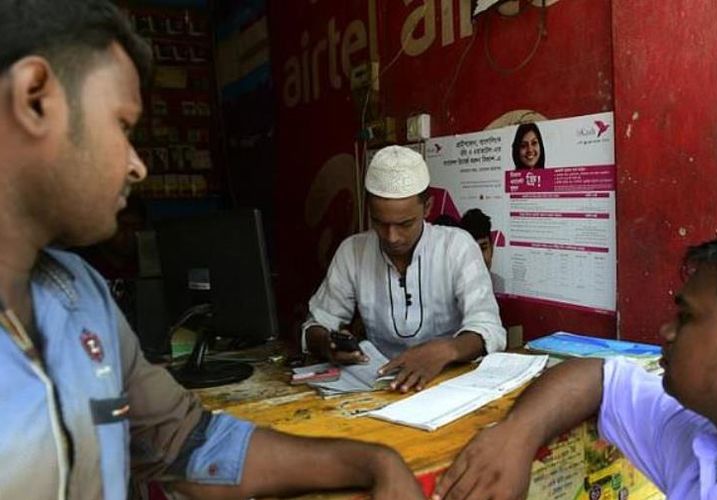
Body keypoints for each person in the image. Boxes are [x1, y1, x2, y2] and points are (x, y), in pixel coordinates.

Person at [0, 2, 424, 499]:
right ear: (34, 99)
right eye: (122, 125)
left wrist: (374, 461)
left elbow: (186, 443)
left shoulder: (82, 295)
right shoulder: (354, 253)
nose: (138, 167)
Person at [433, 226, 717, 500]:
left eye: (687, 317)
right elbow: (600, 377)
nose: (666, 331)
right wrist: (518, 434)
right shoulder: (701, 438)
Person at [302, 145, 507, 392]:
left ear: (428, 208)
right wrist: (328, 344)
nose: (392, 237)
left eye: (405, 224)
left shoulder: (457, 246)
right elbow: (316, 325)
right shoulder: (352, 251)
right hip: (381, 385)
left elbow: (489, 328)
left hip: (450, 385)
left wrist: (446, 350)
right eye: (380, 222)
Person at [459, 209, 505, 294]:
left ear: (492, 248)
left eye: (483, 248)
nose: (480, 259)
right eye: (473, 250)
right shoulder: (454, 288)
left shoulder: (500, 285)